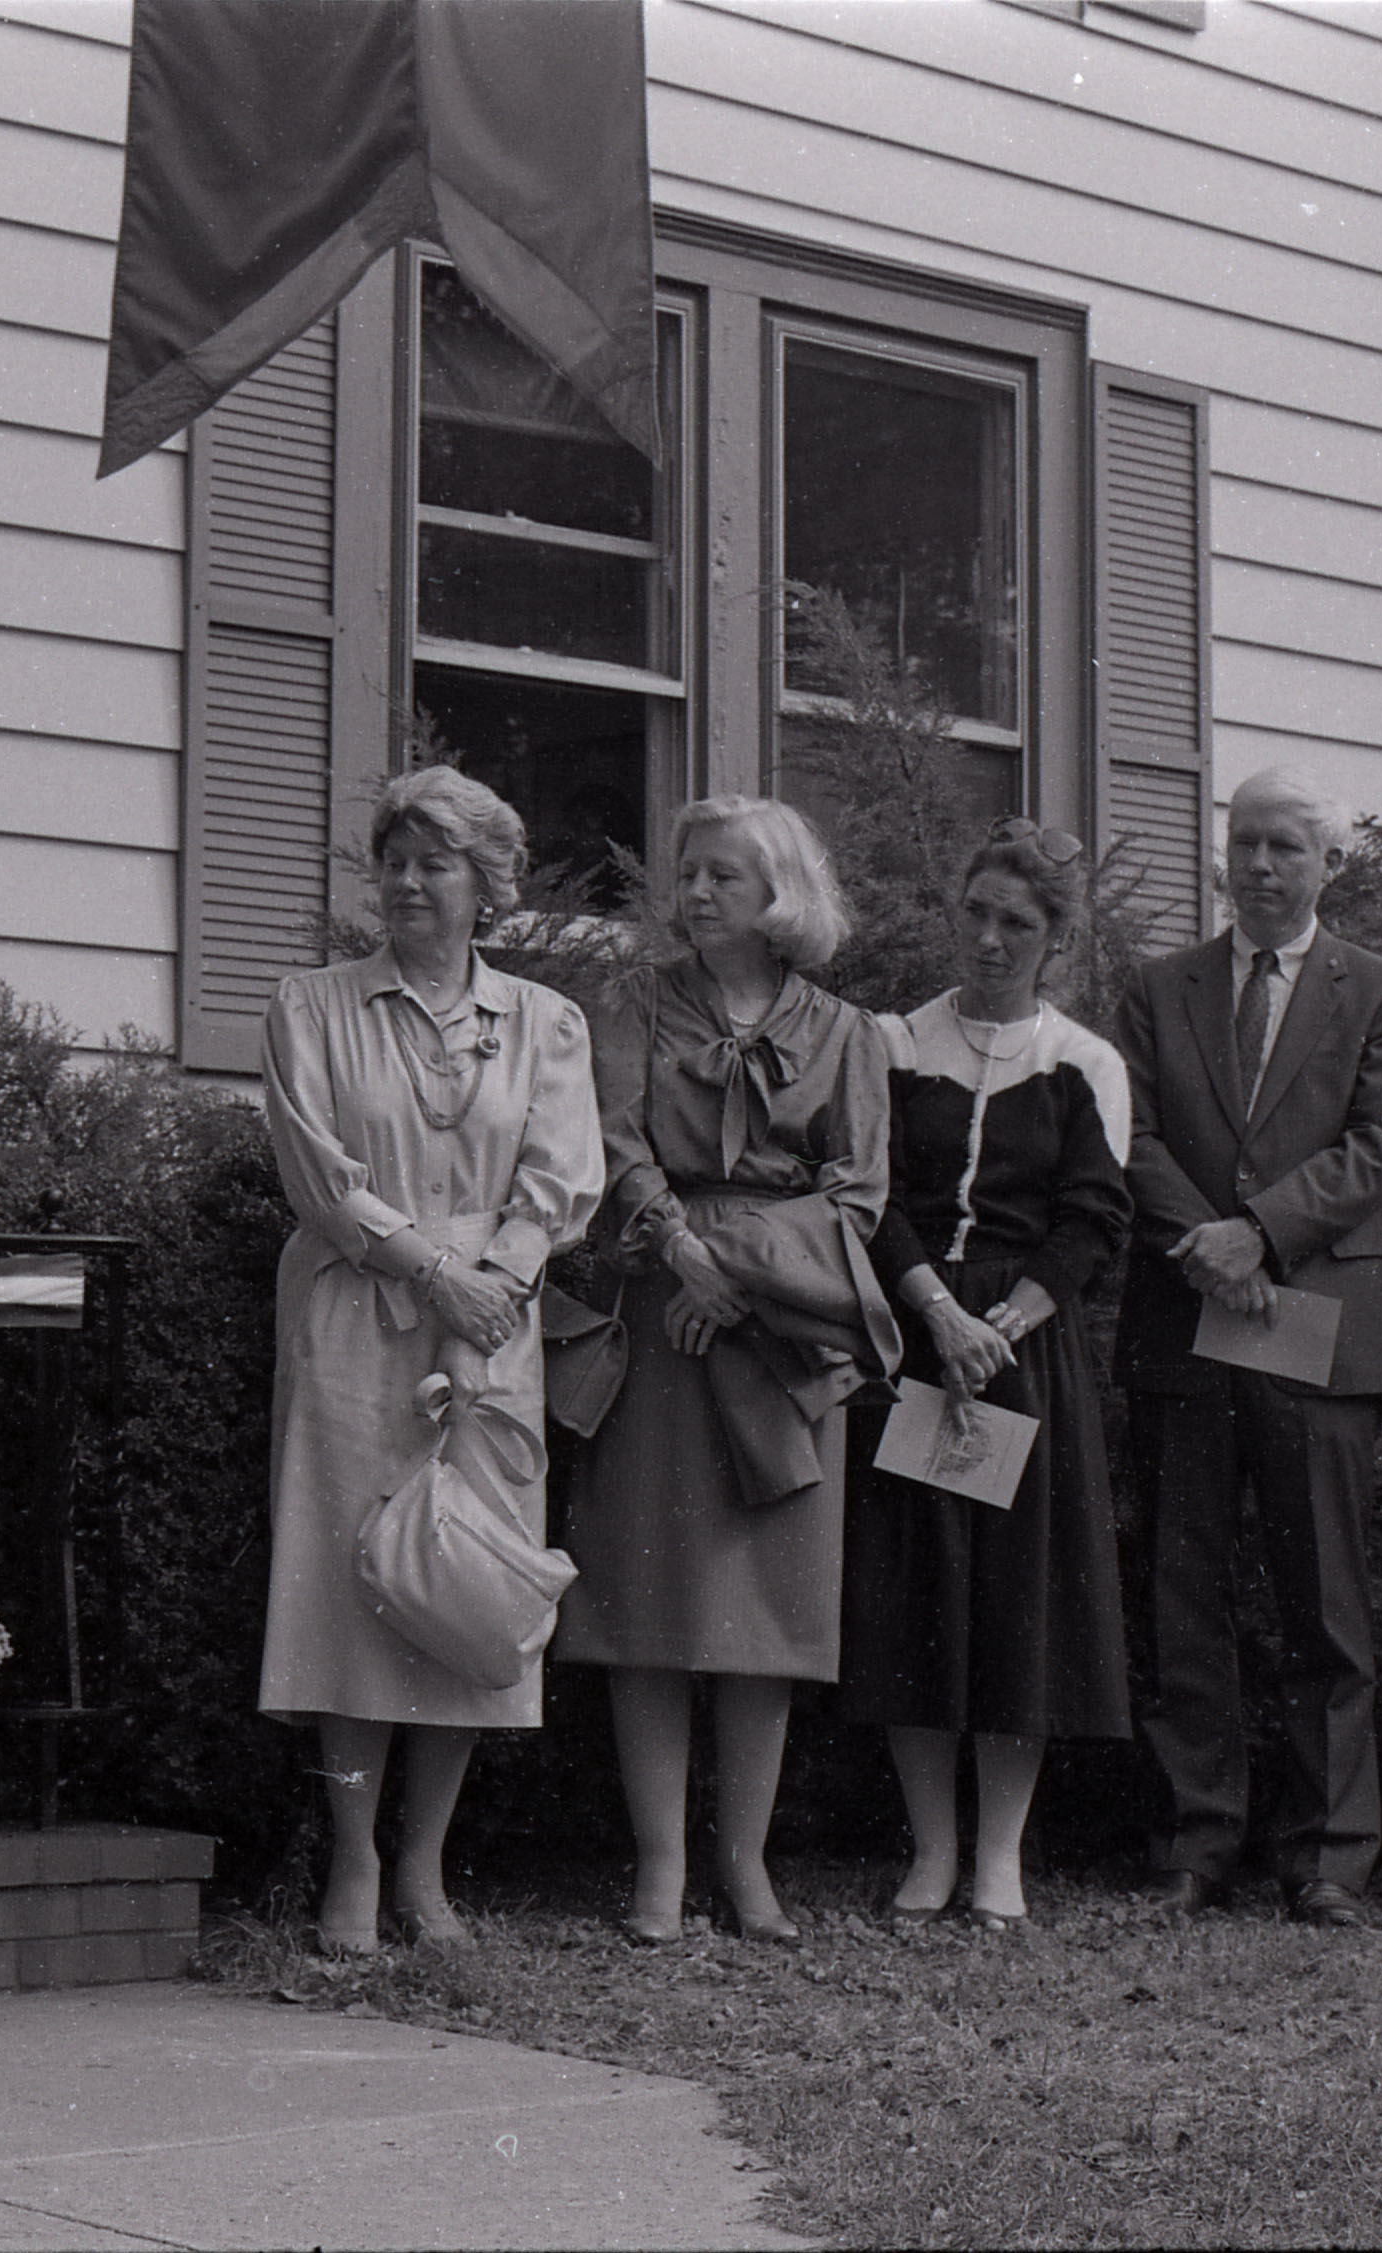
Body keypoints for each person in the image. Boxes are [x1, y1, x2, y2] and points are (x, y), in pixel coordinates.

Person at [256, 768, 602, 1955]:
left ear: (485, 884)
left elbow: (558, 1182)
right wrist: (430, 1273)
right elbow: (318, 1178)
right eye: (395, 858)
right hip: (359, 1314)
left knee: (468, 1584)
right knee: (355, 1589)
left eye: (434, 862)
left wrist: (490, 1287)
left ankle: (424, 1870)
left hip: (494, 1328)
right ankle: (351, 1865)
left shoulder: (546, 1022)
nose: (407, 881)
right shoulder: (313, 1006)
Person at [558, 796, 895, 1947]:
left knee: (768, 1608)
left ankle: (746, 1868)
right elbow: (613, 1147)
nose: (695, 894)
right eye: (688, 875)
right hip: (659, 1319)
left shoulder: (848, 1032)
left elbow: (859, 1190)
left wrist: (740, 1277)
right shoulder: (637, 1007)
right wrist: (684, 1257)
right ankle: (659, 1866)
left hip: (786, 1336)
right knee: (645, 1602)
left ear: (782, 897)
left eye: (724, 878)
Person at [1115, 764, 1382, 1929]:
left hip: (1315, 1327)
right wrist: (1206, 1240)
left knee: (1324, 1604)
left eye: (1285, 846)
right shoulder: (1159, 986)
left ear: (1327, 864)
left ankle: (1330, 1855)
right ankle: (1199, 1842)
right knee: (1183, 1588)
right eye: (1244, 843)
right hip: (1185, 1319)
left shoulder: (1381, 990)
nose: (1258, 866)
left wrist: (1262, 1233)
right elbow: (1127, 1130)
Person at [842, 819, 1132, 1933]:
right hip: (917, 1327)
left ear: (1054, 939)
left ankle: (1000, 1856)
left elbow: (1094, 1220)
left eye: (1018, 923)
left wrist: (999, 1326)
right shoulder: (893, 1042)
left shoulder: (1082, 1062)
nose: (991, 939)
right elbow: (873, 1200)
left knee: (1020, 1601)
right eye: (977, 913)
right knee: (913, 1591)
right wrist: (942, 1315)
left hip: (1022, 1350)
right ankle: (931, 1851)